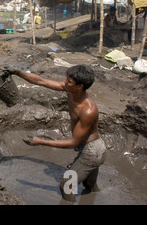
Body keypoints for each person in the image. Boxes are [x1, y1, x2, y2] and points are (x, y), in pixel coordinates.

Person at [6, 64, 106, 202]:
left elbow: (73, 142)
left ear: (80, 86)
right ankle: (97, 199)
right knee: (89, 184)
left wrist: (40, 142)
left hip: (92, 152)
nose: (65, 83)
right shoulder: (71, 91)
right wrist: (17, 71)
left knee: (66, 185)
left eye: (69, 82)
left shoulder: (88, 110)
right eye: (66, 79)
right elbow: (42, 81)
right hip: (90, 149)